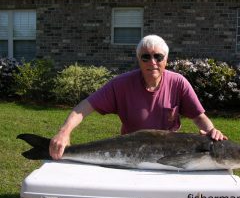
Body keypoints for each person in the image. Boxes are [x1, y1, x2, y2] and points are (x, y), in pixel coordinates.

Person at [50, 35, 227, 160]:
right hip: (129, 151)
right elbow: (85, 107)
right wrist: (64, 132)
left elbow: (198, 116)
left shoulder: (179, 83)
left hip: (170, 155)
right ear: (138, 59)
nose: (153, 62)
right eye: (146, 57)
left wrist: (212, 131)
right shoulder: (121, 84)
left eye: (158, 57)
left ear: (166, 59)